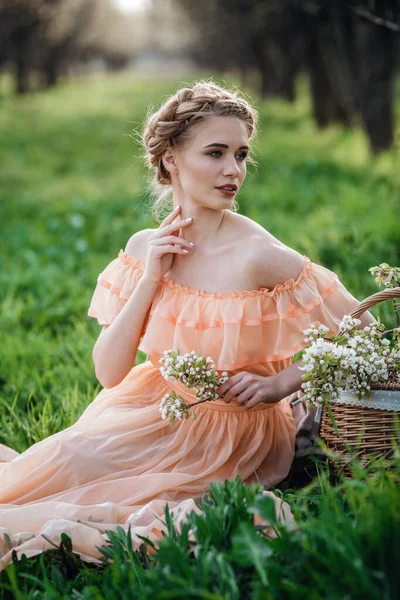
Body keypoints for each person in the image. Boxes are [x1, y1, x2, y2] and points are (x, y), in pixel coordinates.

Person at [0, 81, 375, 570]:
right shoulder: (143, 247)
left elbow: (364, 328)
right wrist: (151, 278)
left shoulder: (259, 255)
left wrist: (282, 382)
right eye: (215, 153)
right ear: (171, 158)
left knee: (115, 488)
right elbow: (109, 373)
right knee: (71, 456)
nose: (233, 170)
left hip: (230, 429)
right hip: (152, 401)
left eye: (241, 155)